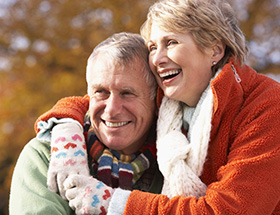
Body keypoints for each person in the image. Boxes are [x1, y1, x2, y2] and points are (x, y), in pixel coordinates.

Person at [31, 0, 280, 214]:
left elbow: (227, 210)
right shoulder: (170, 98)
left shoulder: (266, 105)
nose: (157, 59)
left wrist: (113, 203)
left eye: (171, 42)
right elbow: (101, 101)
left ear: (215, 49)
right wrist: (66, 135)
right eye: (153, 47)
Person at [9, 32, 164, 215]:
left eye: (127, 93)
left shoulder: (179, 162)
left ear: (156, 99)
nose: (112, 109)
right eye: (101, 92)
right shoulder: (44, 156)